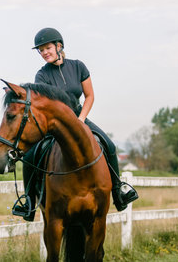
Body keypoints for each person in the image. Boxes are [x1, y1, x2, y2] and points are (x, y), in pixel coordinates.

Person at [12, 27, 138, 221]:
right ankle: (28, 201)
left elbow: (89, 96)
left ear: (59, 46)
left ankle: (118, 191)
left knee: (109, 145)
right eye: (41, 50)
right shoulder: (42, 76)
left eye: (47, 48)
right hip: (54, 123)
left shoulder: (78, 66)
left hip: (79, 116)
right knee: (30, 155)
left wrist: (80, 120)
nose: (44, 53)